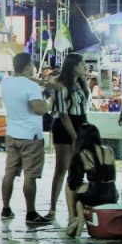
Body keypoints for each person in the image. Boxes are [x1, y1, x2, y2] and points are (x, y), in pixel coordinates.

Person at [0, 53, 50, 228]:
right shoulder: (31, 86)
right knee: (30, 175)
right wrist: (47, 105)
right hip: (31, 136)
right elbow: (38, 109)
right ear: (28, 66)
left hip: (12, 133)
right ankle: (31, 212)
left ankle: (5, 208)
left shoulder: (5, 83)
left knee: (10, 173)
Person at [46, 53, 89, 222]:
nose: (84, 67)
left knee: (77, 169)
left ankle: (75, 208)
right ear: (73, 66)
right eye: (82, 64)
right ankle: (53, 208)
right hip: (65, 127)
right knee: (61, 168)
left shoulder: (80, 82)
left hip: (81, 123)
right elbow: (63, 115)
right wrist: (75, 136)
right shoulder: (62, 85)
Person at [65, 123, 118, 238]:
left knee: (70, 186)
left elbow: (73, 182)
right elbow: (112, 177)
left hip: (95, 195)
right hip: (112, 195)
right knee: (82, 197)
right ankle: (80, 216)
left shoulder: (81, 154)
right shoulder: (109, 150)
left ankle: (73, 218)